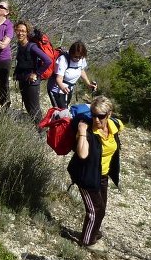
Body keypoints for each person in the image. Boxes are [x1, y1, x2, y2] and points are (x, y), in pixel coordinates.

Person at [66, 96, 121, 247]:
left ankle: (93, 233)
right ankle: (86, 241)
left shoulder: (114, 125)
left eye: (101, 116)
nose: (96, 119)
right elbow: (82, 154)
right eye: (94, 115)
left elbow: (118, 134)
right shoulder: (87, 130)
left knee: (101, 208)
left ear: (109, 114)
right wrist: (82, 131)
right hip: (86, 175)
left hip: (102, 175)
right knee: (94, 210)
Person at [13, 21, 53, 123]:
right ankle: (36, 129)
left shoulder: (32, 46)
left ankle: (40, 132)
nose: (20, 33)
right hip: (23, 79)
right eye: (18, 30)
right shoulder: (20, 45)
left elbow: (48, 61)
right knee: (28, 107)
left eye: (23, 31)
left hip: (32, 82)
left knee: (34, 109)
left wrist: (36, 74)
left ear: (27, 33)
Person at [48, 40, 97, 109]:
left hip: (68, 89)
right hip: (56, 90)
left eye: (80, 57)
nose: (78, 59)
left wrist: (88, 84)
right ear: (71, 53)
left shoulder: (81, 59)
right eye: (75, 57)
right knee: (61, 112)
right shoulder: (63, 59)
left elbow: (81, 70)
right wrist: (63, 87)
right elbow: (58, 79)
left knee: (65, 110)